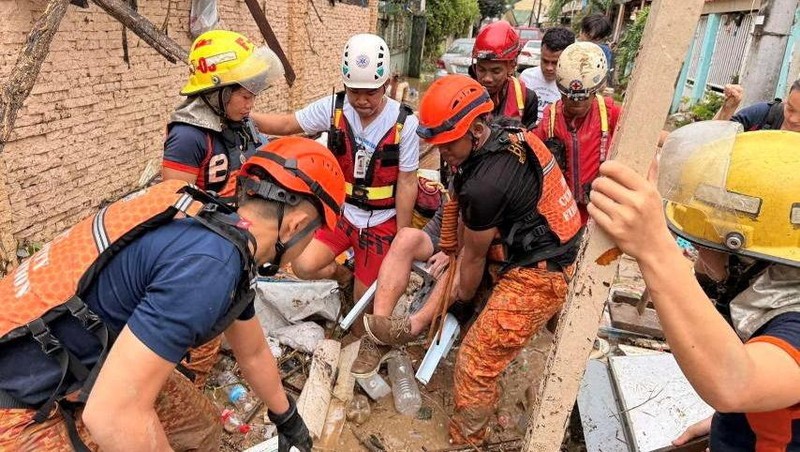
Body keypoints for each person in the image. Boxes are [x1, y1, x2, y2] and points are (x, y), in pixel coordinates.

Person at [0, 137, 345, 452]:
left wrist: (286, 417)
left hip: (55, 354)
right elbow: (113, 416)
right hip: (14, 408)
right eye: (314, 232)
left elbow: (253, 351)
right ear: (296, 225)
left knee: (201, 429)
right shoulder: (208, 268)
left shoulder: (209, 219)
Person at [363, 75, 583, 446]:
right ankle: (414, 330)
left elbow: (466, 274)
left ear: (475, 129)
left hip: (543, 269)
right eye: (437, 145)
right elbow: (460, 231)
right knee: (472, 313)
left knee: (476, 360)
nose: (443, 155)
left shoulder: (487, 185)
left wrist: (435, 312)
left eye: (448, 145)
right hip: (532, 241)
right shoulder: (495, 135)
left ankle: (467, 438)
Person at [588, 123, 800, 450]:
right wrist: (729, 423)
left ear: (744, 254)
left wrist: (655, 249)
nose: (698, 253)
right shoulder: (764, 295)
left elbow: (735, 385)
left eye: (706, 242)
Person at [251, 33, 419, 304]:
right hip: (342, 214)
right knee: (304, 266)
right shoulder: (335, 108)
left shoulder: (405, 124)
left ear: (386, 85)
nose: (362, 101)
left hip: (381, 220)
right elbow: (285, 125)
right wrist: (241, 113)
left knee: (362, 306)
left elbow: (408, 182)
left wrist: (402, 238)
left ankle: (360, 289)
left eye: (371, 92)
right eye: (354, 91)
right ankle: (344, 277)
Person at [160, 30, 284, 386]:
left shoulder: (236, 125)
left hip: (230, 235)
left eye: (252, 96)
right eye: (244, 95)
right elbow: (175, 204)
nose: (250, 104)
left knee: (228, 312)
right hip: (201, 244)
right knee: (201, 326)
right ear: (218, 91)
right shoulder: (188, 136)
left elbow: (270, 144)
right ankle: (186, 384)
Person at [532, 41, 622, 224]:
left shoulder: (609, 113)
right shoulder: (551, 118)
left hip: (598, 212)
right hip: (561, 211)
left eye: (583, 98)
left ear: (597, 90)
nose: (576, 104)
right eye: (569, 97)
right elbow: (531, 145)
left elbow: (643, 134)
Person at [471, 20, 539, 129]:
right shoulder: (464, 95)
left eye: (496, 71)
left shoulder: (527, 98)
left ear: (511, 66)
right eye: (481, 69)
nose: (487, 78)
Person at [519, 27, 576, 123]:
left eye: (555, 63)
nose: (549, 68)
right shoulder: (526, 78)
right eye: (545, 61)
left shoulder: (575, 85)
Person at [714, 79, 800, 132]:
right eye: (790, 108)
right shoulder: (764, 114)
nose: (793, 119)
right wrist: (727, 109)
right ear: (786, 100)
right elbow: (713, 139)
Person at [579, 13, 614, 86]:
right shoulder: (571, 49)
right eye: (588, 36)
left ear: (601, 39)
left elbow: (604, 77)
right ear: (581, 32)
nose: (590, 42)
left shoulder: (604, 52)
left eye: (595, 40)